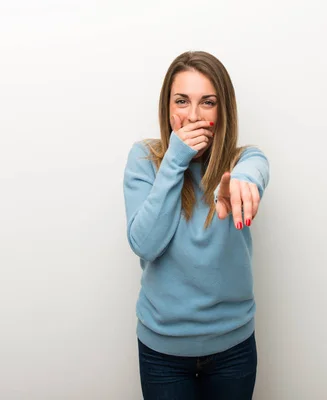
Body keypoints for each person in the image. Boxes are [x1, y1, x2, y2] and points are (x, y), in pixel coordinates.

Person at [122, 50, 270, 400]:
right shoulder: (144, 160)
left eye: (207, 102)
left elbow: (254, 171)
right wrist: (175, 159)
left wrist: (241, 183)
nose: (192, 115)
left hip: (232, 350)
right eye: (182, 101)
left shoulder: (245, 160)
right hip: (163, 354)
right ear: (167, 107)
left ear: (223, 110)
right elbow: (144, 244)